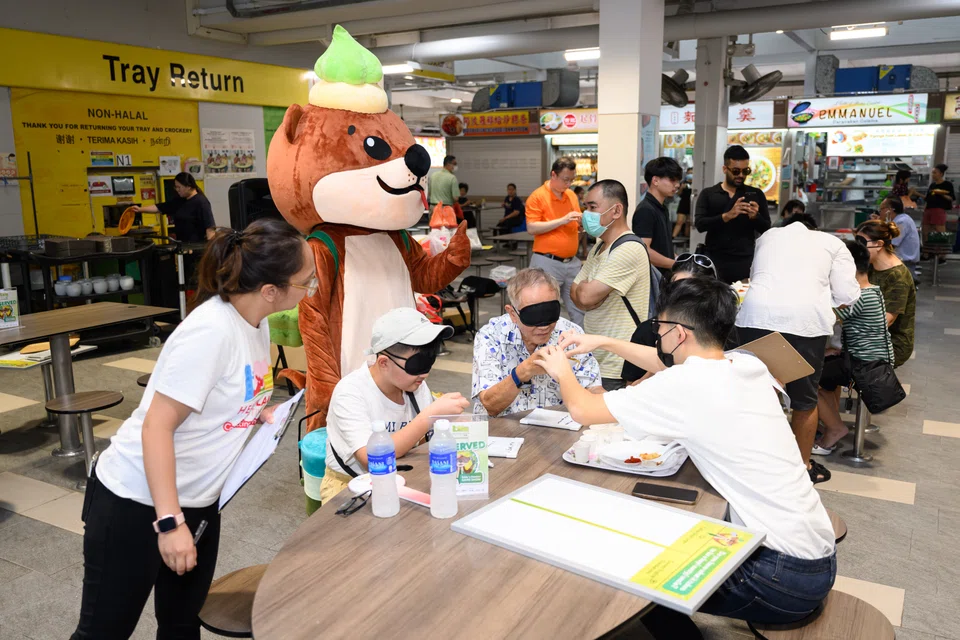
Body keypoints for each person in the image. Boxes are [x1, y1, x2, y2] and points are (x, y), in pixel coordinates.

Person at [535, 277, 836, 625]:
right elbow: (668, 362)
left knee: (631, 569)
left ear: (678, 333)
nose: (657, 336)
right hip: (815, 555)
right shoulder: (746, 364)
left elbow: (583, 410)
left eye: (659, 328)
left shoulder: (685, 385)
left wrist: (561, 370)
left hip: (779, 577)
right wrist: (603, 341)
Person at [71, 219, 316, 639]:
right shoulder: (210, 332)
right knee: (104, 632)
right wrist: (169, 524)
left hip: (200, 501)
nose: (310, 290)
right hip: (138, 502)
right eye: (305, 283)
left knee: (183, 624)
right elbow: (156, 428)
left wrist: (253, 413)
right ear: (270, 290)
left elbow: (221, 394)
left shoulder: (255, 322)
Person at [734, 213, 859, 483]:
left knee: (760, 394)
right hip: (805, 325)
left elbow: (756, 276)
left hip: (755, 319)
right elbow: (847, 295)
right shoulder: (833, 243)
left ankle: (756, 465)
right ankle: (801, 469)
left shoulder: (767, 237)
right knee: (803, 400)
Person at [322, 307, 470, 501]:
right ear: (384, 362)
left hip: (403, 477)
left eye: (430, 361)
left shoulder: (414, 385)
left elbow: (426, 442)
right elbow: (372, 460)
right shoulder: (350, 393)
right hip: (350, 487)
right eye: (417, 364)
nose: (424, 374)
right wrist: (429, 416)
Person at [472, 268, 601, 417]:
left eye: (550, 313)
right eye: (533, 316)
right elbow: (490, 405)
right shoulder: (491, 336)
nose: (544, 326)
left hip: (556, 431)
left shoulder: (570, 334)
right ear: (513, 313)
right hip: (501, 432)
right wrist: (524, 371)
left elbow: (593, 388)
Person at [814, 240, 894, 455]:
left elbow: (823, 317)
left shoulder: (855, 297)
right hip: (874, 360)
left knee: (807, 379)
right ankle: (829, 425)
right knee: (825, 376)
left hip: (865, 366)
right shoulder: (873, 290)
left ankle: (834, 429)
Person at [571, 179, 651, 390]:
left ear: (616, 211)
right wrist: (590, 294)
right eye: (585, 206)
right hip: (596, 358)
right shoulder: (600, 247)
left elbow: (585, 297)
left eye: (592, 207)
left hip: (617, 364)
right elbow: (575, 295)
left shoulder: (628, 249)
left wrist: (589, 293)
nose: (585, 214)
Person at [622, 253, 717, 383]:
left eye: (691, 291)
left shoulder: (722, 330)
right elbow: (630, 387)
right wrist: (659, 362)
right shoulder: (649, 330)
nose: (680, 297)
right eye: (675, 288)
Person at [694, 145, 771, 283]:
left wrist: (755, 217)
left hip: (745, 260)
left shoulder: (755, 194)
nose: (741, 175)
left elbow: (766, 228)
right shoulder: (709, 194)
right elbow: (700, 224)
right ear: (725, 169)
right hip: (716, 259)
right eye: (736, 171)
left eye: (745, 171)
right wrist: (726, 216)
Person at [525, 157, 585, 326]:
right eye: (566, 179)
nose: (569, 184)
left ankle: (581, 347)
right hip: (547, 261)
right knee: (544, 306)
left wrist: (580, 225)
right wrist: (562, 220)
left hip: (571, 262)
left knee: (578, 306)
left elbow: (574, 221)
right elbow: (532, 228)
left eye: (572, 180)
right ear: (553, 174)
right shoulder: (537, 197)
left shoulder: (571, 195)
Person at [857, 220, 916, 368]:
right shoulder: (871, 266)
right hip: (871, 337)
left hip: (892, 343)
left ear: (879, 244)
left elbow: (886, 321)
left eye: (862, 242)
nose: (859, 248)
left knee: (829, 371)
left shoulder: (897, 276)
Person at [632, 157, 681, 276]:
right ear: (655, 180)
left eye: (678, 180)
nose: (677, 185)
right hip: (652, 280)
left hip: (664, 277)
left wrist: (678, 259)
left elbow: (661, 246)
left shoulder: (661, 208)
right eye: (672, 180)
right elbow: (644, 251)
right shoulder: (645, 210)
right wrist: (674, 264)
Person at [134, 172, 215, 243]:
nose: (177, 190)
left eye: (179, 187)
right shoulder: (179, 200)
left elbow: (210, 228)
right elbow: (160, 207)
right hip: (182, 246)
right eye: (176, 187)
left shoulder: (201, 202)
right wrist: (139, 209)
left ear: (188, 186)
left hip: (196, 248)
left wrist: (210, 251)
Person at [877, 197, 920, 279]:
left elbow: (890, 244)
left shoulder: (901, 222)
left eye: (881, 209)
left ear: (889, 210)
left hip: (903, 263)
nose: (880, 212)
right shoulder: (899, 220)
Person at [923, 163, 954, 240]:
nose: (933, 174)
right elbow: (928, 198)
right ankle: (927, 250)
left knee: (939, 231)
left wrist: (941, 193)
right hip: (928, 209)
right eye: (932, 172)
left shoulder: (947, 184)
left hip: (939, 210)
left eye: (935, 173)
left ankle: (940, 250)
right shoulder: (932, 185)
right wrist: (925, 209)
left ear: (941, 174)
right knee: (926, 230)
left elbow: (951, 198)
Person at [672, 167, 693, 238]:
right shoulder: (682, 183)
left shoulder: (696, 183)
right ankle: (673, 237)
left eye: (692, 173)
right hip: (683, 203)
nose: (690, 175)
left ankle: (687, 238)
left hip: (692, 204)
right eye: (689, 173)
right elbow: (678, 194)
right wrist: (681, 188)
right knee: (679, 221)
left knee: (688, 222)